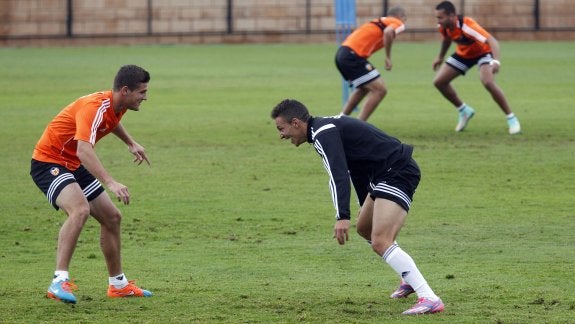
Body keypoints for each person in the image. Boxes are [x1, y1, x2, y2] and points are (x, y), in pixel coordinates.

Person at [270, 99, 444, 315]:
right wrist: (366, 204)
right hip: (383, 175)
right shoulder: (323, 129)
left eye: (281, 128)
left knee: (380, 241)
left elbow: (338, 174)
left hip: (397, 171)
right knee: (365, 227)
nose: (281, 135)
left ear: (295, 122)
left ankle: (429, 297)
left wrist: (342, 216)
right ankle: (407, 276)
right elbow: (356, 169)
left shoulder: (323, 134)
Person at [30, 65, 153, 304]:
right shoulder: (94, 107)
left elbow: (110, 121)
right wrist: (111, 182)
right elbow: (83, 149)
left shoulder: (116, 104)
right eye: (142, 92)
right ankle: (58, 281)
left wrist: (130, 142)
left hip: (72, 163)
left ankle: (118, 285)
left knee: (112, 217)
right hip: (49, 161)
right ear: (125, 90)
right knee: (80, 209)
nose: (145, 97)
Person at [432, 0, 521, 134]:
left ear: (452, 15)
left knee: (488, 82)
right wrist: (440, 57)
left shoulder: (467, 25)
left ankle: (511, 118)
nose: (438, 21)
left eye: (441, 17)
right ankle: (464, 111)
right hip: (464, 54)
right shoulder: (443, 27)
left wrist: (496, 61)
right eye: (437, 17)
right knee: (439, 82)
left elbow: (492, 41)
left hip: (483, 53)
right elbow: (447, 39)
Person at [335, 6, 407, 121]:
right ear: (401, 17)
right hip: (352, 56)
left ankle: (340, 120)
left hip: (342, 54)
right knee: (380, 89)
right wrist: (388, 57)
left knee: (364, 87)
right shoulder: (398, 22)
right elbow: (388, 32)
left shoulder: (379, 21)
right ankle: (359, 126)